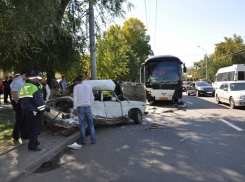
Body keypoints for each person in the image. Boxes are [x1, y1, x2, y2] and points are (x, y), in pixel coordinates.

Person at [19, 70, 47, 151]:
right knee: (36, 128)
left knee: (30, 127)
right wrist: (44, 110)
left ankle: (34, 141)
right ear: (34, 78)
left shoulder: (23, 86)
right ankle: (32, 145)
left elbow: (21, 99)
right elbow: (39, 102)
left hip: (25, 110)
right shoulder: (34, 87)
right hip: (34, 111)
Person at [73, 76, 96, 145]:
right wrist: (89, 104)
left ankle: (84, 141)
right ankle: (93, 140)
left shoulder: (76, 87)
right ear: (82, 80)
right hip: (87, 106)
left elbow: (75, 99)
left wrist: (75, 109)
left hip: (80, 107)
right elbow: (92, 97)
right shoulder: (88, 86)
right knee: (91, 124)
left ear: (77, 81)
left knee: (82, 124)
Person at [10, 69, 31, 140]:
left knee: (25, 118)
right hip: (17, 101)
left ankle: (24, 135)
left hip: (23, 100)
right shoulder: (16, 81)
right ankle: (15, 135)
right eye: (28, 75)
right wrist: (17, 102)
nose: (29, 77)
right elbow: (13, 92)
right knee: (20, 118)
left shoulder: (24, 81)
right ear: (25, 74)